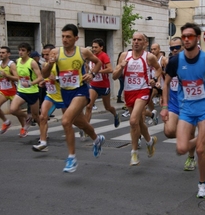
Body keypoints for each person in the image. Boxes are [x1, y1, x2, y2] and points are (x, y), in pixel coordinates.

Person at [161, 23, 205, 198]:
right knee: (182, 148)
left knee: (199, 151)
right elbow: (166, 83)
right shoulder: (176, 61)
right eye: (184, 36)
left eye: (190, 36)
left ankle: (202, 184)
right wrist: (165, 107)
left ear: (197, 38)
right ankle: (201, 139)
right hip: (186, 110)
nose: (186, 39)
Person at [43, 24, 105, 173]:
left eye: (68, 37)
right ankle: (97, 139)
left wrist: (92, 74)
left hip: (81, 91)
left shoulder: (83, 52)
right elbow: (44, 74)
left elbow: (98, 62)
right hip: (65, 92)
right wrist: (50, 63)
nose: (64, 39)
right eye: (63, 36)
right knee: (81, 123)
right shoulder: (55, 52)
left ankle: (72, 158)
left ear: (76, 38)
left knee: (66, 121)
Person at [113, 32, 162, 166]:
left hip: (143, 90)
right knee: (139, 122)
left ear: (145, 43)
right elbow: (114, 76)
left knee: (133, 120)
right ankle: (150, 141)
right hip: (129, 92)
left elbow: (158, 69)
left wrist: (154, 79)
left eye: (139, 40)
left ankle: (134, 153)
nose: (136, 42)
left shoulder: (149, 57)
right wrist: (121, 67)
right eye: (134, 39)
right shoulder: (124, 56)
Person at [162, 36, 197, 171]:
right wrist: (164, 102)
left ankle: (191, 157)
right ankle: (186, 135)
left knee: (191, 132)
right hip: (174, 100)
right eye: (172, 48)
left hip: (189, 101)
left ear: (183, 46)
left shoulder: (192, 61)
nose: (175, 50)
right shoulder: (168, 61)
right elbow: (165, 81)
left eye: (177, 47)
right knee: (169, 131)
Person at [32, 44, 66, 152]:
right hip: (51, 95)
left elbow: (69, 79)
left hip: (64, 96)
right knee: (42, 117)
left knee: (69, 121)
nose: (45, 57)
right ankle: (43, 142)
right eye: (44, 54)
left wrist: (56, 79)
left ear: (54, 53)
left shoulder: (61, 64)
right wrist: (44, 82)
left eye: (48, 54)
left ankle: (87, 130)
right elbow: (46, 77)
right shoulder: (46, 64)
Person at [84, 38, 120, 132]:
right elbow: (88, 66)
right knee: (89, 106)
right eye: (93, 47)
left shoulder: (104, 56)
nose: (94, 49)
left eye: (96, 47)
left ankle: (115, 114)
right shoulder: (91, 56)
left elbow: (110, 69)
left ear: (101, 47)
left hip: (104, 86)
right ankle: (86, 129)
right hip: (93, 85)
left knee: (107, 107)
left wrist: (97, 71)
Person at [9, 43, 44, 138]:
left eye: (23, 50)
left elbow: (40, 77)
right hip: (21, 91)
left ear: (28, 52)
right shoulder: (18, 61)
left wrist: (30, 83)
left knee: (36, 116)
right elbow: (18, 76)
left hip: (32, 92)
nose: (20, 52)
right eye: (19, 50)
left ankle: (44, 132)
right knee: (12, 109)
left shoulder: (32, 62)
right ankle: (27, 117)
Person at [0, 46, 27, 134]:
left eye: (3, 53)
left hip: (13, 91)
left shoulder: (11, 65)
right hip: (3, 90)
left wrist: (7, 76)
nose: (1, 54)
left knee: (15, 111)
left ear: (8, 54)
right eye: (0, 53)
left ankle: (24, 126)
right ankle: (6, 122)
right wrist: (0, 82)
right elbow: (1, 76)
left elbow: (17, 78)